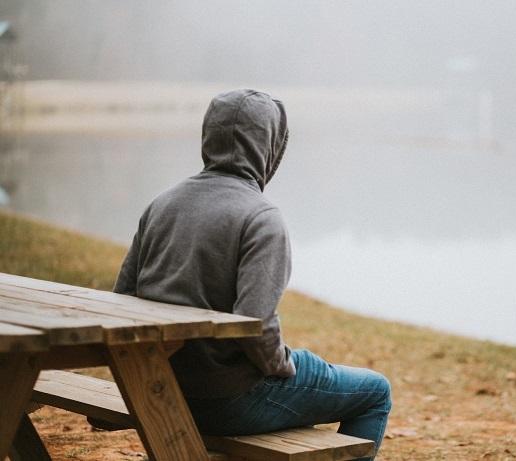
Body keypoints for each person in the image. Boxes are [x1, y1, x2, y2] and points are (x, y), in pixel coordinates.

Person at [113, 89, 391, 459]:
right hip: (230, 397)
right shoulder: (261, 217)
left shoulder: (162, 204)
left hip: (160, 387)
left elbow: (122, 298)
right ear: (270, 147)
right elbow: (256, 324)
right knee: (375, 392)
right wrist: (284, 365)